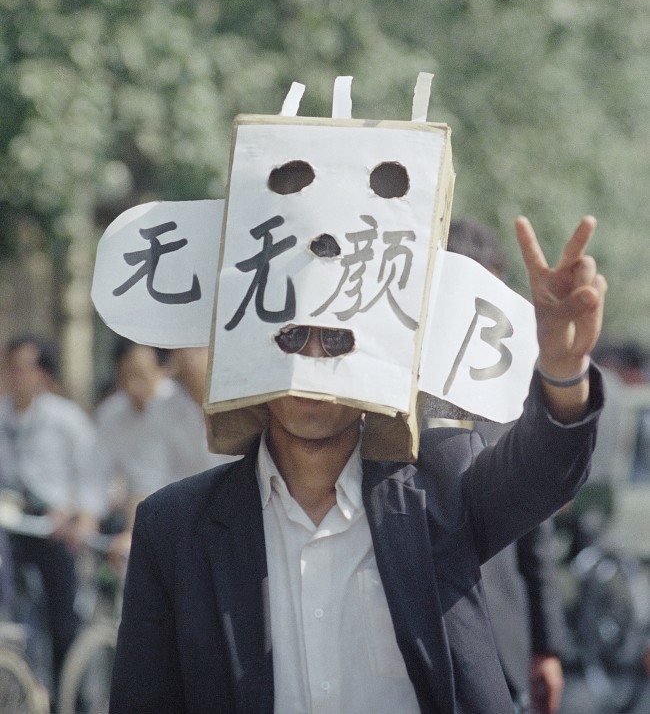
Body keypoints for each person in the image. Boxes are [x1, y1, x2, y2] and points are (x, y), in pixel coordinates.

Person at [109, 214, 606, 713]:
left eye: (338, 339)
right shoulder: (174, 529)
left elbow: (541, 474)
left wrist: (564, 374)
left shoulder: (440, 485)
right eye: (292, 337)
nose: (314, 360)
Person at [446, 217, 569, 714]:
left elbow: (534, 531)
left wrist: (547, 645)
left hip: (501, 644)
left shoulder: (507, 398)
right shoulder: (385, 400)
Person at [0, 334, 103, 687]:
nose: (16, 377)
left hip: (55, 529)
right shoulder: (1, 417)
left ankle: (69, 695)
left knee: (63, 620)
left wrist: (77, 515)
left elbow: (93, 476)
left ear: (43, 374)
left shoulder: (65, 419)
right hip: (12, 527)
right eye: (11, 368)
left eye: (25, 368)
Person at [95, 338, 229, 557]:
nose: (190, 358)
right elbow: (148, 478)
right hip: (188, 528)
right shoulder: (161, 411)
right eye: (184, 349)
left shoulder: (245, 404)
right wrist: (132, 533)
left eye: (198, 348)